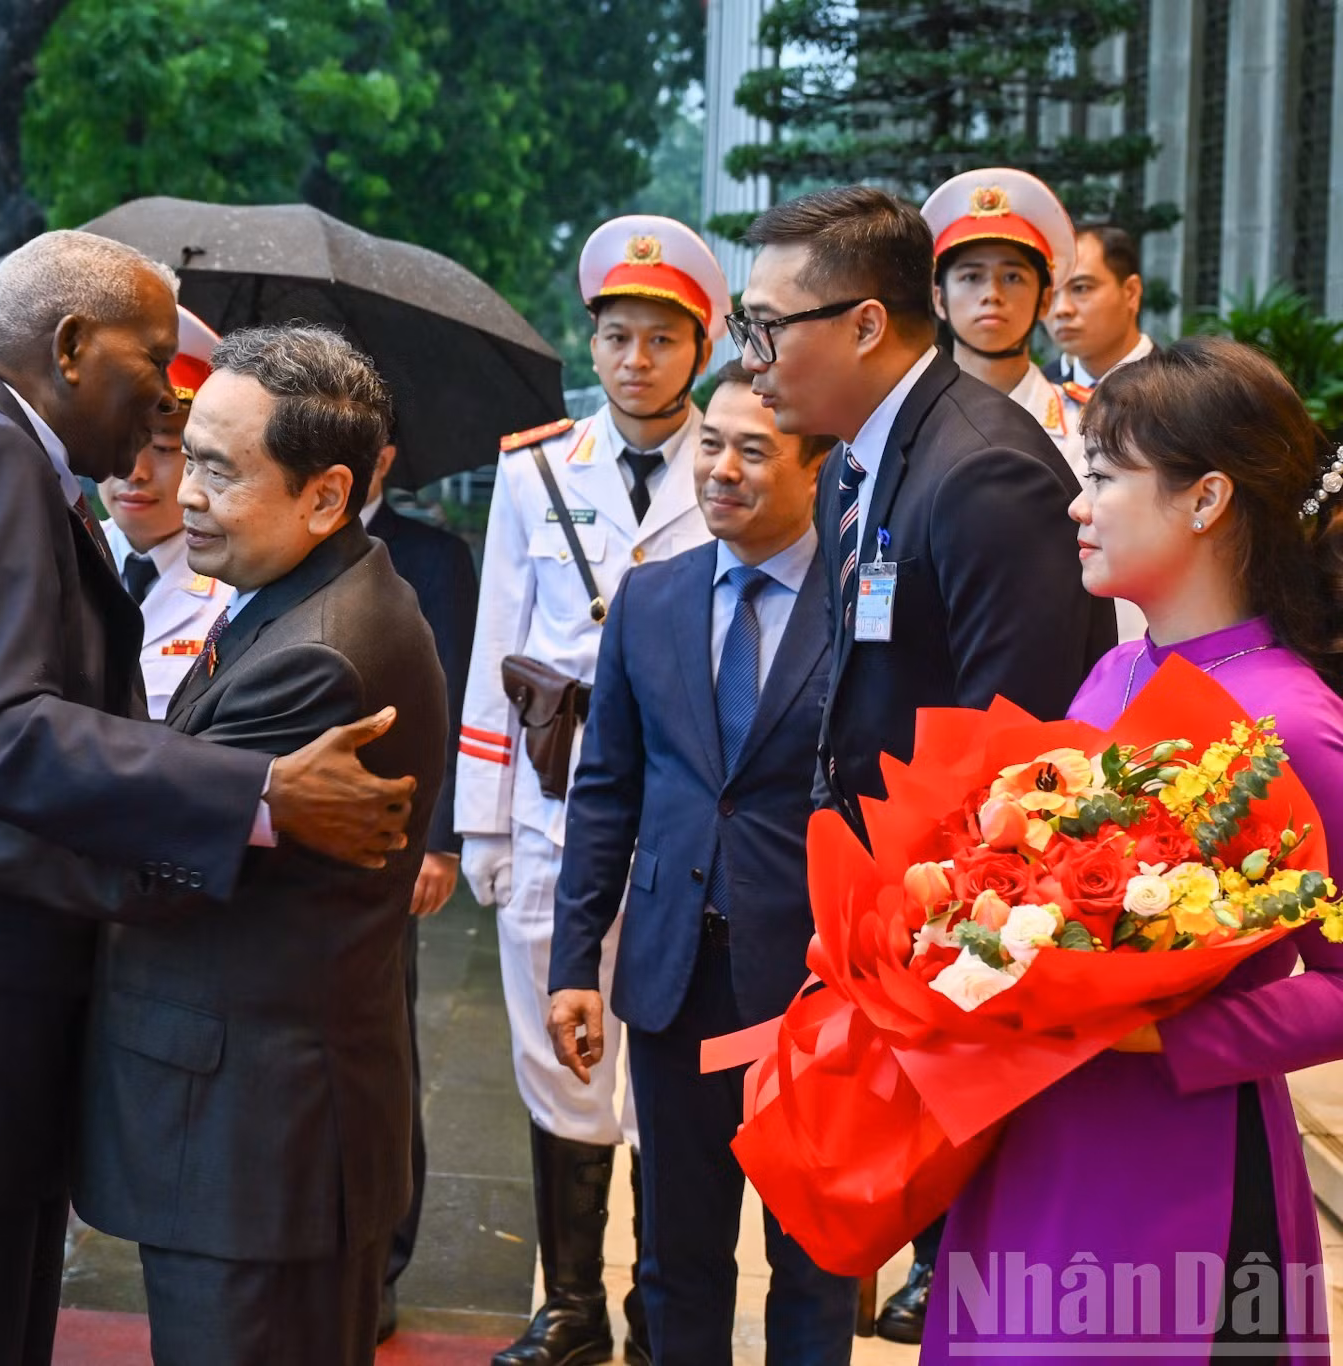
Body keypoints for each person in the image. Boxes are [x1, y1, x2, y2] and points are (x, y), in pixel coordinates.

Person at [0, 236, 414, 1366]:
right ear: (69, 349)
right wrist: (259, 790)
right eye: (152, 365)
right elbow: (9, 734)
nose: (162, 399)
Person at [732, 185, 1116, 1343]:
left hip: (969, 957)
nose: (751, 361)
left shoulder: (982, 471)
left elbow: (1025, 752)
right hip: (886, 927)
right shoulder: (864, 456)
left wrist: (932, 941)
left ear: (861, 325)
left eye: (768, 327)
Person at [925, 334, 1343, 1362]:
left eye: (1104, 476)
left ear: (1206, 500)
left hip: (1183, 1168)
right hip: (1039, 1136)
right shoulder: (1109, 680)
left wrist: (1164, 1035)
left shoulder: (1296, 725)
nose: (1078, 503)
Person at [549, 361, 856, 1365]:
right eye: (710, 446)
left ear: (818, 465)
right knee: (678, 1257)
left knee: (814, 1257)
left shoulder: (863, 605)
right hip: (675, 977)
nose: (720, 469)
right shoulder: (650, 598)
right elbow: (606, 792)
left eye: (753, 450)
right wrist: (572, 963)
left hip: (812, 991)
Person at [457, 213, 724, 1366]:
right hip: (554, 798)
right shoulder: (532, 469)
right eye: (617, 336)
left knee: (664, 1046)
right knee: (553, 1044)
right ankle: (568, 1302)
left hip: (678, 807)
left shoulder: (739, 457)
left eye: (662, 339)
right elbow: (494, 645)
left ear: (699, 349)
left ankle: (656, 1301)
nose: (635, 359)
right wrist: (481, 820)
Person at [359, 438, 480, 1340]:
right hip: (283, 834)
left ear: (386, 455)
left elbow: (456, 695)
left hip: (391, 838)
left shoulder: (430, 556)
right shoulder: (261, 537)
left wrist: (438, 840)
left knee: (387, 1049)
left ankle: (383, 1261)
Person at [102, 304, 229, 718]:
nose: (133, 471)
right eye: (117, 439)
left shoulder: (239, 583)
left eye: (162, 448)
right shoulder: (52, 555)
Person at [920, 168, 1082, 470]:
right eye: (971, 277)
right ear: (939, 298)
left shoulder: (1090, 430)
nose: (992, 294)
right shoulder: (907, 426)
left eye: (1012, 277)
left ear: (1044, 300)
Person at [1046, 222, 1156, 422]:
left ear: (1131, 292)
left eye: (1081, 288)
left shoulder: (1188, 392)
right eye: (1051, 294)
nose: (1061, 309)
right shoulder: (1040, 395)